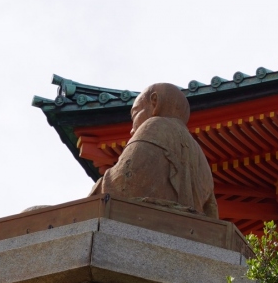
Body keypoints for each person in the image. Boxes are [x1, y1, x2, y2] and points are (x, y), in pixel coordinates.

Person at [90, 83, 218, 219]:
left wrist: (98, 186)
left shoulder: (154, 127)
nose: (132, 130)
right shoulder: (199, 154)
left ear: (154, 102)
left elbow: (123, 184)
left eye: (135, 114)